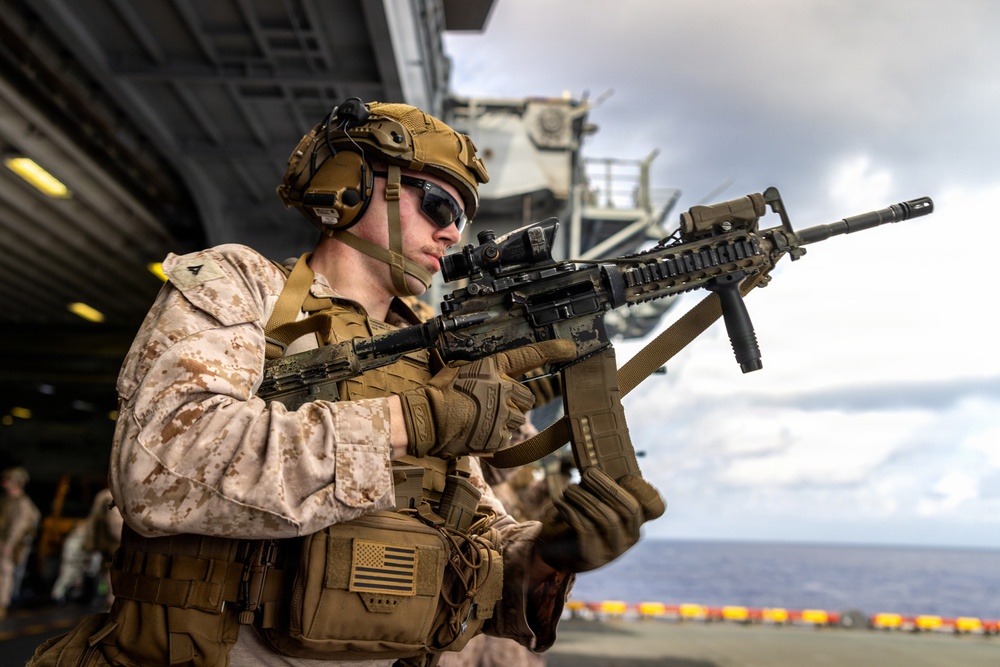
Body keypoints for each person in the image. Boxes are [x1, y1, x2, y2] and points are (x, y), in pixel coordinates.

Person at [28, 100, 663, 667]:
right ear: (356, 188)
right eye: (438, 204)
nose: (451, 232)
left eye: (463, 219)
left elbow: (468, 528)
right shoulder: (242, 286)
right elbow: (160, 467)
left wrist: (550, 553)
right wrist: (407, 423)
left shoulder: (438, 358)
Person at [0, 465, 41, 619]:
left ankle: (2, 604)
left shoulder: (23, 504)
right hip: (5, 541)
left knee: (5, 572)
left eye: (8, 480)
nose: (5, 483)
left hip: (14, 545)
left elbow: (18, 527)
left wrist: (9, 545)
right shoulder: (8, 501)